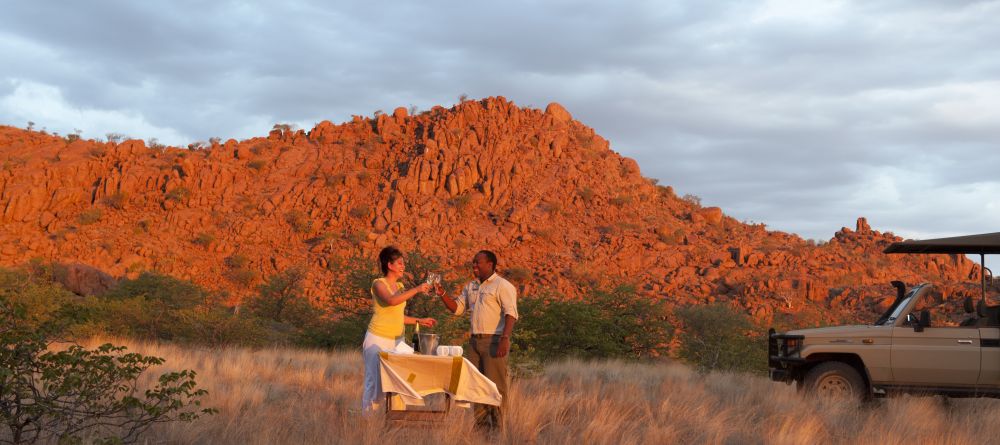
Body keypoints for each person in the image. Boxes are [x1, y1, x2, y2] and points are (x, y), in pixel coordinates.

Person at [435, 250, 518, 430]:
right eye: (473, 263)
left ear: (490, 264)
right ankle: (481, 427)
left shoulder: (502, 285)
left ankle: (499, 428)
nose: (474, 266)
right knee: (476, 386)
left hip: (494, 341)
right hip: (474, 343)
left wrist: (505, 338)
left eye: (477, 263)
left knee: (496, 387)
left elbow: (511, 313)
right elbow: (457, 309)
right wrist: (442, 293)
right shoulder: (470, 286)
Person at [361, 246, 436, 414]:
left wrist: (419, 320)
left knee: (399, 382)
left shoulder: (401, 285)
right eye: (400, 263)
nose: (403, 266)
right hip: (378, 338)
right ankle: (368, 422)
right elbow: (391, 301)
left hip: (397, 340)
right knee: (375, 382)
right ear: (390, 265)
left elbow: (397, 315)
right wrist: (416, 289)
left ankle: (395, 420)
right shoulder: (378, 284)